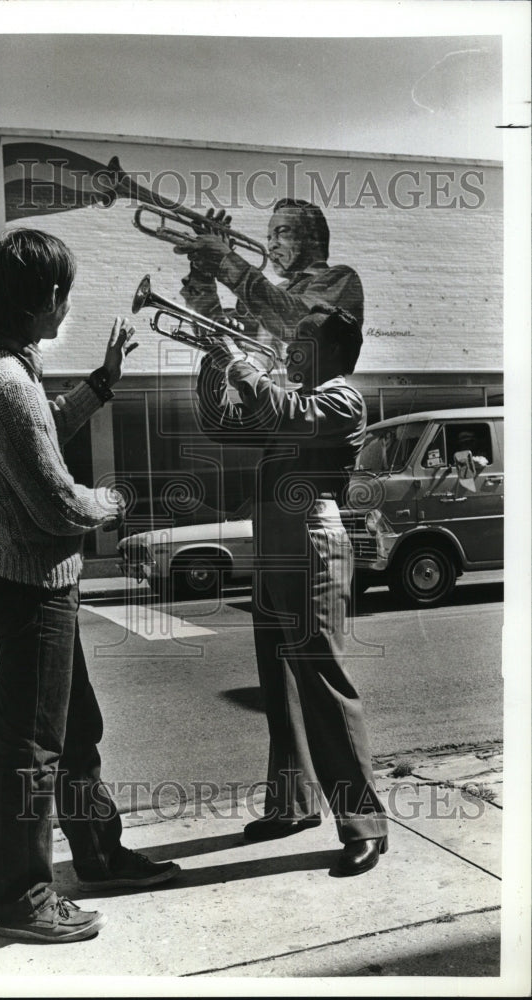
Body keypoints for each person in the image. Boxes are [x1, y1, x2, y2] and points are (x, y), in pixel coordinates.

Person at [0, 229, 180, 944]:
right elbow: (57, 505)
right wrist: (111, 502)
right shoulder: (4, 382)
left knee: (74, 733)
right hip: (35, 592)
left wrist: (102, 384)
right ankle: (23, 898)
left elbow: (38, 432)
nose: (67, 310)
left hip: (26, 582)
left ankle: (100, 855)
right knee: (32, 749)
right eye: (65, 296)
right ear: (45, 299)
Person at [195, 303, 388, 877]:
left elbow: (287, 411)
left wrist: (241, 364)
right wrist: (212, 364)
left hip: (312, 540)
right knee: (279, 686)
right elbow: (220, 425)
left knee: (324, 682)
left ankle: (365, 824)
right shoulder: (282, 398)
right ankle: (293, 804)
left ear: (330, 352)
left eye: (303, 341)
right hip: (274, 541)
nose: (291, 348)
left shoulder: (339, 397)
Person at [174, 197, 364, 345]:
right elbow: (213, 334)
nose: (271, 245)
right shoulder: (273, 293)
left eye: (281, 232)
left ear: (314, 238)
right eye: (269, 237)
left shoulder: (342, 277)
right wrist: (203, 273)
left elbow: (300, 321)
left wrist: (226, 260)